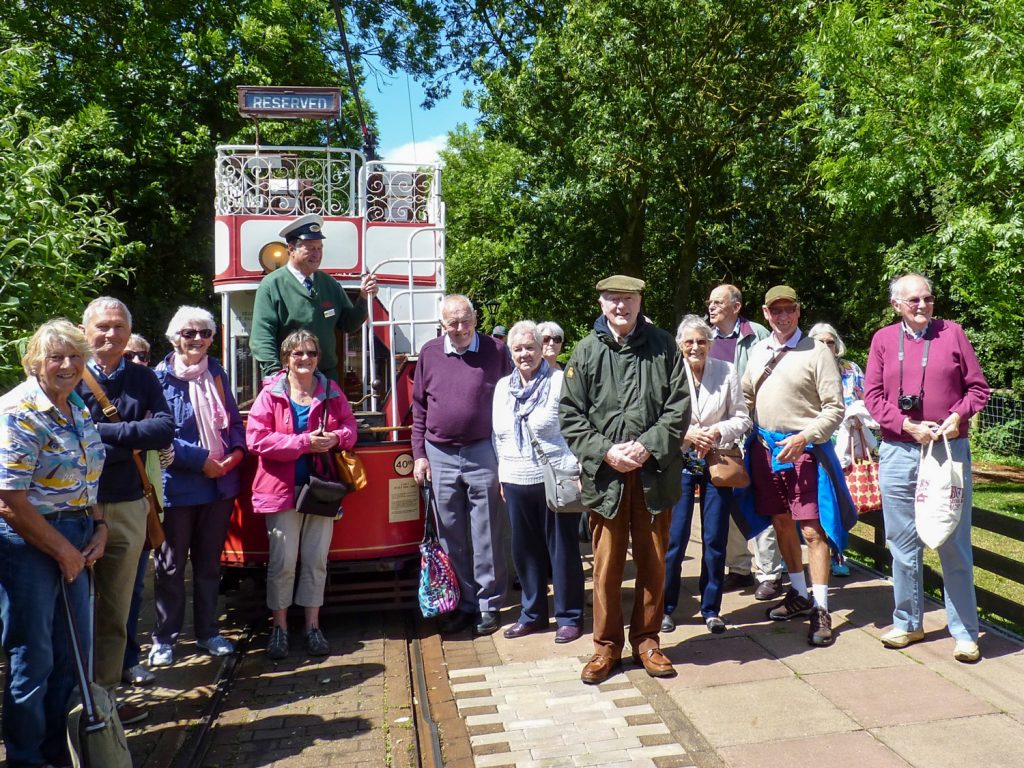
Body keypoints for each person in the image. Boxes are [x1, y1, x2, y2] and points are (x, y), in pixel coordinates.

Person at [560, 275, 689, 684]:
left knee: (653, 563)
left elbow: (679, 407)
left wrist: (647, 446)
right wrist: (606, 451)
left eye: (628, 300)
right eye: (613, 300)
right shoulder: (585, 351)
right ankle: (606, 647)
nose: (621, 307)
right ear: (602, 304)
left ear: (639, 303)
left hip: (653, 476)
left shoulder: (664, 346)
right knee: (606, 567)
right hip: (606, 479)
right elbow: (570, 414)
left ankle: (648, 642)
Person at [864, 273, 989, 662]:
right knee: (901, 544)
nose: (922, 306)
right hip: (900, 450)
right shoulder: (883, 339)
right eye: (913, 300)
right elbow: (872, 396)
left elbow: (978, 388)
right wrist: (905, 425)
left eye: (928, 299)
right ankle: (908, 622)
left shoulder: (953, 334)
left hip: (949, 450)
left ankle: (965, 632)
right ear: (896, 305)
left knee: (954, 542)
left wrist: (957, 416)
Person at [0, 319, 107, 768]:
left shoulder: (76, 404)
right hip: (30, 545)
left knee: (73, 656)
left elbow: (87, 477)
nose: (67, 365)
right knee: (34, 656)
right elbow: (8, 499)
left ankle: (56, 754)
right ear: (33, 362)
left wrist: (99, 528)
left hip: (78, 536)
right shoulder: (18, 410)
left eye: (75, 356)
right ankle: (26, 760)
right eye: (56, 357)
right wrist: (62, 551)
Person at [76, 299, 174, 726]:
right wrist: (128, 438)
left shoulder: (142, 376)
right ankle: (71, 700)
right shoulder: (69, 374)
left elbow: (164, 429)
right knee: (73, 606)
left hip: (131, 502)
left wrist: (99, 433)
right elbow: (67, 437)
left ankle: (105, 701)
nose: (110, 335)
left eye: (118, 327)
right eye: (102, 326)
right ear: (86, 330)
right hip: (76, 508)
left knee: (116, 608)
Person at [741, 285, 847, 647]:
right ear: (766, 313)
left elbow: (835, 408)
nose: (783, 316)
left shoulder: (817, 352)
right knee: (781, 523)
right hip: (766, 449)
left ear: (798, 312)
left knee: (813, 531)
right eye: (776, 310)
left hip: (804, 451)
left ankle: (821, 607)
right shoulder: (757, 352)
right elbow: (744, 398)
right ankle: (799, 593)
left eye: (789, 309)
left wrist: (805, 437)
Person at [247, 330, 358, 659]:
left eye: (310, 353)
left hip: (320, 490)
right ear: (286, 360)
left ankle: (312, 627)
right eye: (297, 354)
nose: (305, 359)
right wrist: (303, 443)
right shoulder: (270, 395)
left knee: (315, 561)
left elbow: (351, 428)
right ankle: (279, 629)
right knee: (282, 562)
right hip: (281, 491)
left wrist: (336, 438)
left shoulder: (330, 390)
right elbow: (257, 440)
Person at [412, 294, 512, 636]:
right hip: (438, 451)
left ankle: (489, 603)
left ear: (475, 319)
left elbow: (511, 399)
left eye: (465, 321)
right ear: (442, 324)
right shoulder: (429, 353)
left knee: (487, 530)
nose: (459, 328)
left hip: (482, 448)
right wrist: (419, 455)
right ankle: (463, 602)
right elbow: (419, 408)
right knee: (449, 531)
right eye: (452, 323)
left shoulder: (496, 352)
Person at [151, 306, 245, 666]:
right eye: (189, 333)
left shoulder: (217, 373)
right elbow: (160, 435)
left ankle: (208, 633)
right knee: (171, 566)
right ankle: (164, 639)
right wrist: (202, 460)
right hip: (178, 486)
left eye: (204, 333)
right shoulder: (158, 379)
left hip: (219, 487)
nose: (197, 340)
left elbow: (234, 423)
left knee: (209, 564)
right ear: (175, 337)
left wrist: (234, 455)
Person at [492, 321, 585, 644]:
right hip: (515, 479)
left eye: (529, 347)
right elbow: (498, 437)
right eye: (517, 349)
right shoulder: (503, 387)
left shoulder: (561, 382)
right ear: (510, 352)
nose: (524, 354)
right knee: (525, 551)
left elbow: (576, 430)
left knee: (562, 550)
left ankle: (569, 616)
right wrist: (503, 476)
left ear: (541, 348)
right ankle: (532, 614)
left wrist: (578, 470)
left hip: (556, 477)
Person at [662, 315, 751, 635]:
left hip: (717, 461)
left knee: (715, 538)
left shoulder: (726, 371)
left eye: (701, 341)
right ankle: (666, 607)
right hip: (680, 461)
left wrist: (715, 431)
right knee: (675, 538)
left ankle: (711, 608)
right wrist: (687, 435)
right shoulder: (669, 372)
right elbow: (659, 418)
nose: (696, 347)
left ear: (710, 344)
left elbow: (742, 418)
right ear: (680, 345)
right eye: (689, 342)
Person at [706, 284, 783, 600]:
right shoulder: (704, 338)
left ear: (736, 307)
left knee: (758, 500)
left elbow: (772, 379)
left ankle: (770, 573)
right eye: (709, 302)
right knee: (728, 501)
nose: (711, 308)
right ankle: (739, 569)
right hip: (717, 437)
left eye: (717, 302)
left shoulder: (757, 335)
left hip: (752, 432)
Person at [250, 213, 378, 383]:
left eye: (319, 248)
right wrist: (275, 375)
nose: (316, 254)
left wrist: (363, 297)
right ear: (291, 249)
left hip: (326, 377)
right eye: (310, 248)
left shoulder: (329, 284)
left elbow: (349, 324)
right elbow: (262, 337)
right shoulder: (272, 285)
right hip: (290, 379)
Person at [809, 322, 878, 577]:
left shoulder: (851, 370)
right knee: (813, 500)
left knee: (839, 500)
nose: (826, 346)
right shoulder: (806, 366)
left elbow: (866, 400)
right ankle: (806, 553)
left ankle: (838, 552)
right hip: (816, 442)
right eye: (820, 341)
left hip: (846, 444)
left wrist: (858, 414)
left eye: (830, 341)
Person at [120, 333, 160, 688]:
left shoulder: (147, 384)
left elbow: (163, 433)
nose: (137, 360)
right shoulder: (92, 383)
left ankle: (128, 661)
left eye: (143, 355)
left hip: (142, 499)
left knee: (132, 590)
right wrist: (135, 431)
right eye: (130, 354)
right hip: (94, 504)